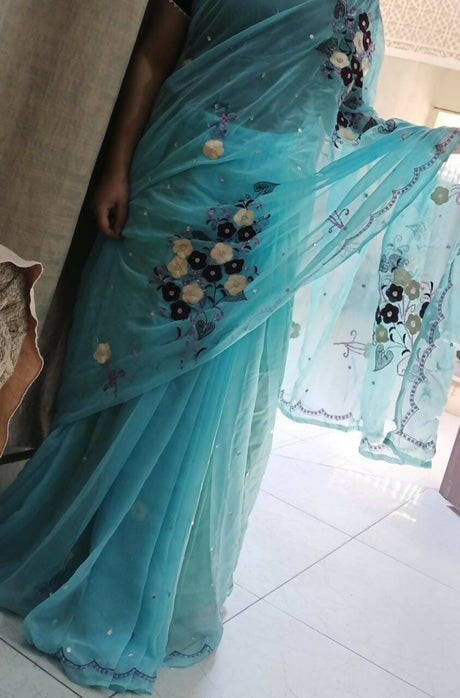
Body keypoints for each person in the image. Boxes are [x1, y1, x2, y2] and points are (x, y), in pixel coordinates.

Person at [1, 0, 459, 694]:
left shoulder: (352, 5)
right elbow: (154, 53)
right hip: (175, 165)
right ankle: (62, 546)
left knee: (202, 387)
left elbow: (347, 116)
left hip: (267, 196)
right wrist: (116, 166)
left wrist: (424, 144)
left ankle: (139, 581)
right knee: (119, 360)